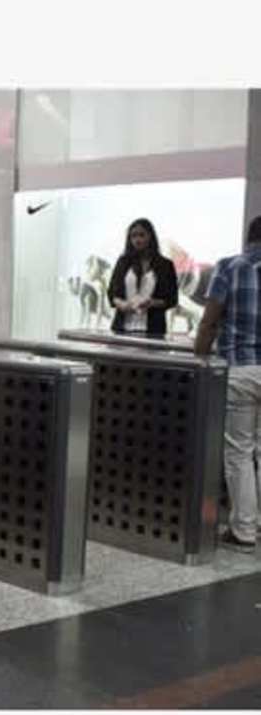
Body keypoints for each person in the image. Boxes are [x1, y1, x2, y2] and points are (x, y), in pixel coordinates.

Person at [194, 215, 261, 551]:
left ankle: (245, 530)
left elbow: (209, 322)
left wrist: (200, 357)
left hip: (241, 370)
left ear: (249, 237)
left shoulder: (229, 267)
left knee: (239, 451)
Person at [107, 218, 179, 335]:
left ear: (151, 237)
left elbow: (172, 299)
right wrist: (122, 304)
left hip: (153, 330)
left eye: (141, 235)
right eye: (133, 236)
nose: (137, 240)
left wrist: (151, 303)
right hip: (121, 329)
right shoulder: (123, 262)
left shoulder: (165, 265)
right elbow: (112, 294)